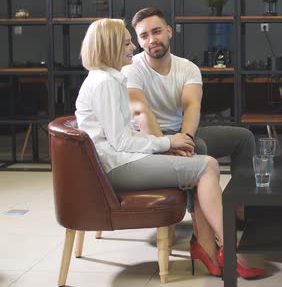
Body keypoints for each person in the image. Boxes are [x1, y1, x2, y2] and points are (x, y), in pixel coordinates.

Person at [75, 18, 265, 279]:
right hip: (116, 166)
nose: (134, 47)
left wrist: (171, 142)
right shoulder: (105, 83)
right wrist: (167, 142)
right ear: (110, 46)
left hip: (121, 159)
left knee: (202, 162)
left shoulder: (110, 79)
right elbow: (122, 142)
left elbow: (127, 133)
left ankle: (209, 249)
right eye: (128, 42)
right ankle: (229, 251)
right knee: (206, 165)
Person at [120, 7, 255, 236]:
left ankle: (241, 215)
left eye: (157, 31)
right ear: (138, 40)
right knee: (199, 150)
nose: (152, 40)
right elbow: (140, 112)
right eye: (144, 36)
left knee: (243, 138)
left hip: (180, 131)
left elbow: (192, 106)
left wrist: (186, 139)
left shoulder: (187, 68)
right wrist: (166, 144)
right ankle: (201, 230)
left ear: (169, 32)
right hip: (147, 139)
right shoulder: (131, 68)